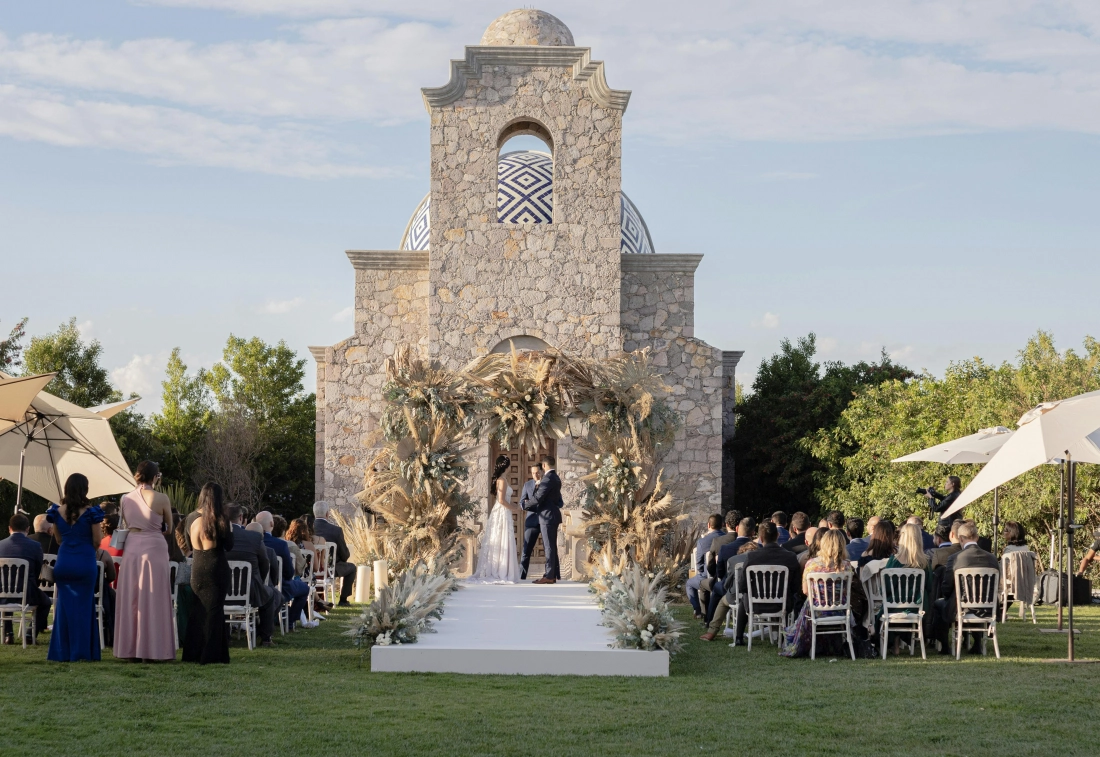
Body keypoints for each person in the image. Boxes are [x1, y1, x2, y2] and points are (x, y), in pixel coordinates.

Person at [114, 461, 177, 662]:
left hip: (132, 547)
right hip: (154, 547)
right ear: (155, 477)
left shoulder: (125, 499)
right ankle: (154, 650)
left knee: (132, 596)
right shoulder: (161, 498)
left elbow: (124, 522)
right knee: (155, 597)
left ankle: (129, 650)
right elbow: (169, 527)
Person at [45, 473, 104, 662]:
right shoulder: (92, 512)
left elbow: (59, 539)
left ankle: (61, 651)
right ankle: (81, 652)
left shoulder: (56, 512)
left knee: (63, 608)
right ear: (85, 489)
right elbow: (97, 541)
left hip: (64, 563)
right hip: (85, 562)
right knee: (84, 608)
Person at [183, 483, 234, 664]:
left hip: (198, 566)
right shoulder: (220, 518)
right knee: (214, 611)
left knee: (197, 611)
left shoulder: (190, 518)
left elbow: (188, 545)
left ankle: (192, 653)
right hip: (216, 566)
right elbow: (229, 545)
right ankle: (212, 654)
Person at [780, 529, 851, 657]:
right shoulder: (847, 566)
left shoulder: (812, 564)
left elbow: (805, 590)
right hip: (840, 610)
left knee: (807, 603)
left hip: (817, 609)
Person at [931, 520, 998, 654]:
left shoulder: (955, 558)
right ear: (977, 538)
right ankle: (978, 643)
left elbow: (946, 587)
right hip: (987, 607)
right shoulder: (992, 558)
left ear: (960, 538)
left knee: (939, 604)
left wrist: (948, 596)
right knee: (968, 603)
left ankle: (944, 646)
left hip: (961, 606)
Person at [734, 522, 804, 645]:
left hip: (755, 605)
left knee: (744, 598)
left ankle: (738, 637)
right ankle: (784, 635)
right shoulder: (790, 557)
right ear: (777, 535)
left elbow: (742, 586)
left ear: (760, 538)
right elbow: (795, 586)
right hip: (783, 605)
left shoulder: (752, 557)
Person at [226, 505, 281, 645]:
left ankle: (225, 635)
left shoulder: (218, 538)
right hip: (250, 591)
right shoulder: (254, 537)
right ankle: (265, 638)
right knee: (271, 595)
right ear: (241, 518)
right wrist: (259, 581)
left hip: (222, 591)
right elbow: (265, 563)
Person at [881, 523, 934, 654]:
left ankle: (895, 645)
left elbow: (886, 587)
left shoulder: (894, 560)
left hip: (894, 605)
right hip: (917, 605)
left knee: (886, 605)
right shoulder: (925, 562)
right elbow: (929, 586)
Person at [0, 513, 51, 645]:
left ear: (9, 528)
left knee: (7, 589)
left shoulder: (0, 545)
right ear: (28, 529)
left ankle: (8, 634)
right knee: (46, 602)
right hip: (28, 593)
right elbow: (37, 570)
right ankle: (30, 634)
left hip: (2, 594)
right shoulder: (35, 546)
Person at [470, 455, 522, 583]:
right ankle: (500, 571)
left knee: (501, 538)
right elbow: (501, 500)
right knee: (501, 538)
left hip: (502, 512)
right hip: (502, 512)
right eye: (509, 465)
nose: (510, 468)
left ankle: (500, 569)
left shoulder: (502, 479)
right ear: (506, 466)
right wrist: (515, 508)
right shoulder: (502, 480)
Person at [256, 511, 310, 627]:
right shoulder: (280, 545)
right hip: (280, 587)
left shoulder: (254, 542)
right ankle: (290, 621)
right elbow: (289, 572)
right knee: (305, 588)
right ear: (272, 524)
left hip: (256, 586)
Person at [699, 541, 760, 641]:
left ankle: (712, 631)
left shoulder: (733, 560)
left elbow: (728, 581)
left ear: (742, 550)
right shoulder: (761, 560)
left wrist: (728, 588)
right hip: (758, 596)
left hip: (737, 596)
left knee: (722, 602)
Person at [522, 454, 565, 585]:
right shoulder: (556, 478)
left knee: (548, 546)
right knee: (550, 546)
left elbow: (539, 497)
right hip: (552, 515)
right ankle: (551, 575)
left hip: (547, 516)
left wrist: (526, 504)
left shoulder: (547, 479)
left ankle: (549, 575)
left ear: (544, 466)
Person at [312, 501, 356, 604]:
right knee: (352, 568)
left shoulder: (307, 529)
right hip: (330, 568)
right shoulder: (336, 530)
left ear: (314, 513)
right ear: (327, 514)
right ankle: (343, 600)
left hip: (310, 569)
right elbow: (344, 555)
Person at [686, 514, 726, 617]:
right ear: (722, 525)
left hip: (707, 575)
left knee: (689, 584)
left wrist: (701, 572)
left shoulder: (703, 541)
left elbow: (699, 562)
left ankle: (698, 610)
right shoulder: (727, 539)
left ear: (709, 525)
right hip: (725, 576)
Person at [517, 463, 544, 580]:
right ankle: (522, 576)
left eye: (537, 472)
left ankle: (553, 576)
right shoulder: (527, 485)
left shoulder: (547, 484)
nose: (535, 475)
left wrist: (530, 503)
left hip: (545, 520)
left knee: (550, 549)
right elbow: (522, 503)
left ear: (542, 471)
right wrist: (527, 504)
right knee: (526, 550)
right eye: (533, 473)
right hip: (531, 521)